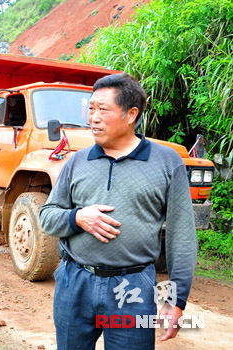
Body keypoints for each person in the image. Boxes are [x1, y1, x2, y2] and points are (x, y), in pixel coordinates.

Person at [39, 73, 197, 350]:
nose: (93, 118)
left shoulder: (166, 162)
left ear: (131, 114)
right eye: (91, 109)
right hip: (74, 282)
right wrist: (77, 217)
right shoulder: (77, 161)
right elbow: (47, 216)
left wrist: (175, 301)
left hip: (133, 287)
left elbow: (181, 236)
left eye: (103, 109)